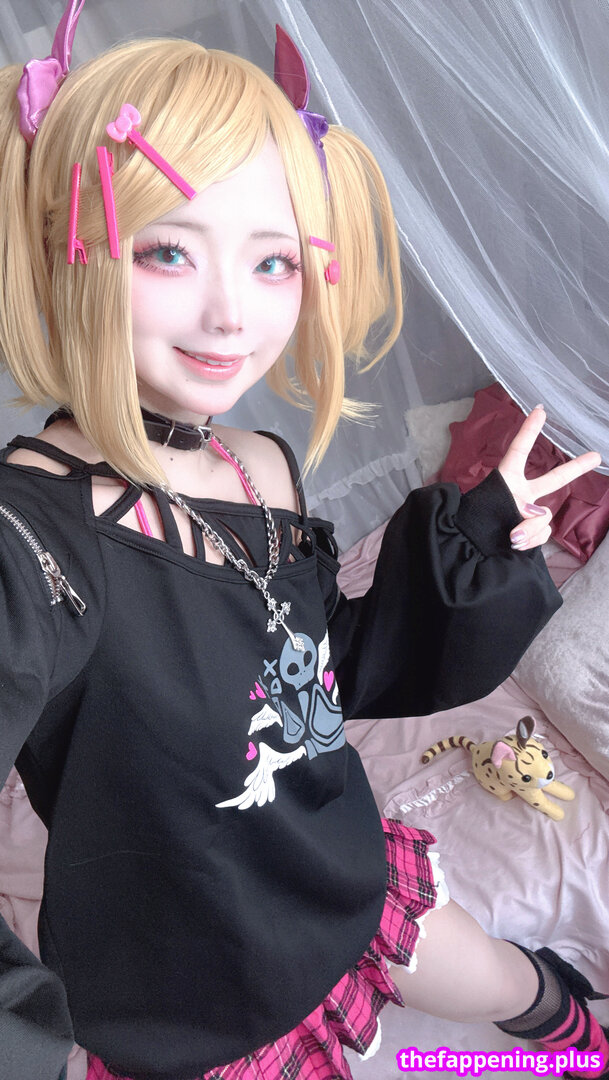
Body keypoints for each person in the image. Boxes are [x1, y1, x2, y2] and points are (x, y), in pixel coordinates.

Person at [0, 5, 605, 1080]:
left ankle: (568, 1031)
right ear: (68, 252)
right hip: (189, 984)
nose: (232, 315)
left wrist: (474, 547)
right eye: (168, 250)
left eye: (273, 262)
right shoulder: (30, 539)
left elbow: (321, 673)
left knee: (512, 983)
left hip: (327, 863)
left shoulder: (258, 463)